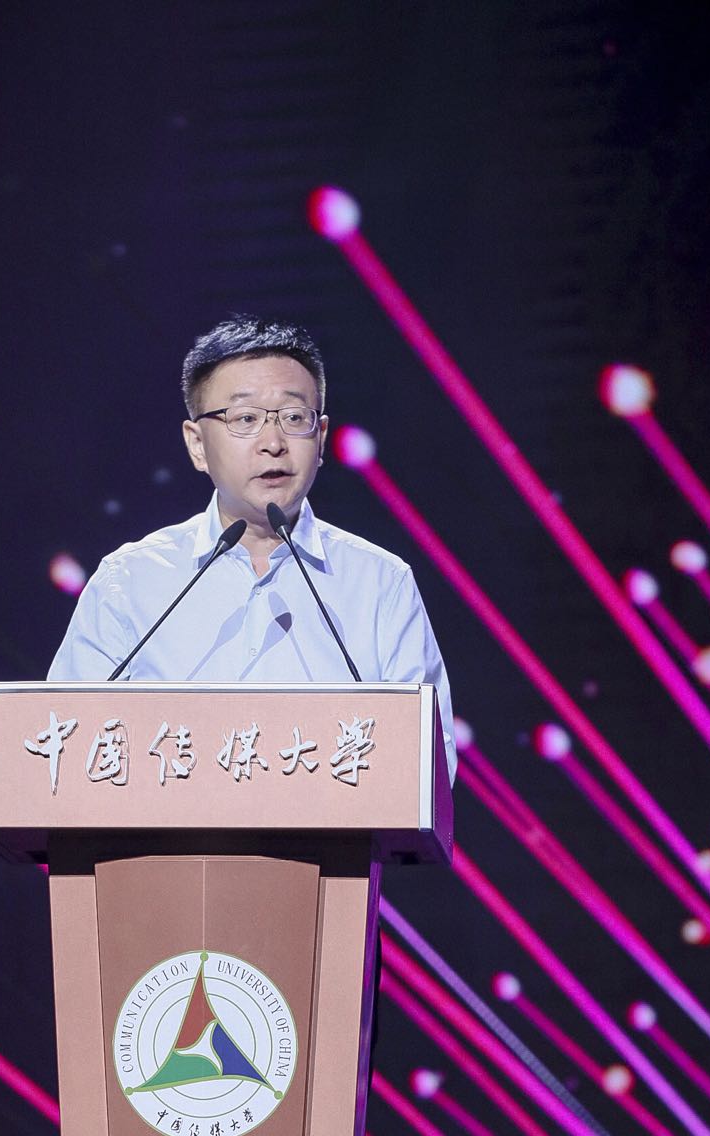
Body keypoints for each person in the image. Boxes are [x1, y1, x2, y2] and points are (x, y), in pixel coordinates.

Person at [48, 315, 456, 784]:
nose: (273, 443)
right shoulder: (129, 582)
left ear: (321, 437)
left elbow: (429, 768)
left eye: (294, 418)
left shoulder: (381, 583)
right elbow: (67, 752)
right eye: (245, 419)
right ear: (197, 445)